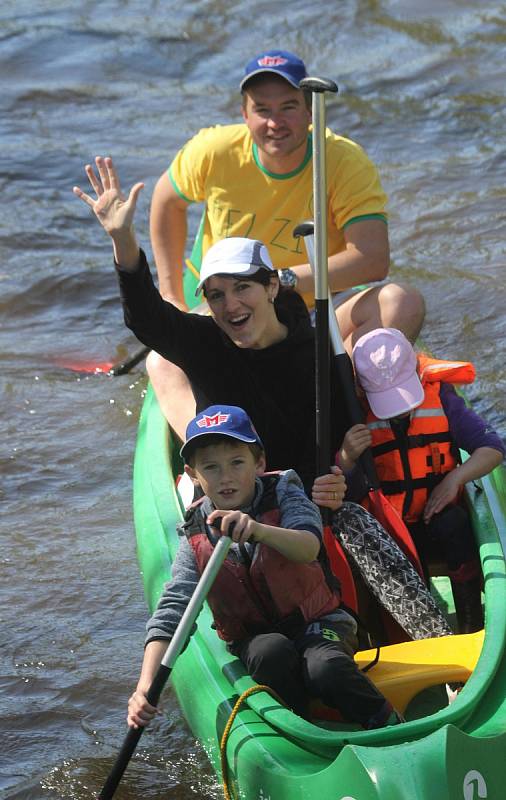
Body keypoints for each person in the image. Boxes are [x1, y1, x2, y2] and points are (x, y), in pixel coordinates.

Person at [73, 156, 452, 641]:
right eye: (215, 295)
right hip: (241, 492)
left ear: (272, 286)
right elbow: (146, 319)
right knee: (161, 365)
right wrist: (123, 240)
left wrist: (340, 473)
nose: (230, 305)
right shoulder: (204, 340)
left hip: (308, 499)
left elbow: (339, 442)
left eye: (242, 289)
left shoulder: (315, 348)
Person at [147, 48, 426, 437]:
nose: (275, 122)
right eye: (262, 109)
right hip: (232, 308)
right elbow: (165, 201)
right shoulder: (212, 150)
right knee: (161, 362)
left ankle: (363, 415)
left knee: (401, 301)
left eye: (289, 107)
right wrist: (171, 295)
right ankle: (208, 450)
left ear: (311, 111)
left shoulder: (343, 160)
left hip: (316, 312)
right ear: (244, 115)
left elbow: (372, 259)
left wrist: (280, 282)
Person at [127, 404, 403, 730]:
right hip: (257, 641)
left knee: (324, 667)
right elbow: (174, 611)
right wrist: (146, 684)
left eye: (237, 463)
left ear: (259, 463)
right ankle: (301, 731)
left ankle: (390, 726)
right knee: (271, 652)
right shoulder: (195, 531)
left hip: (320, 621)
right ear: (192, 474)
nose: (226, 477)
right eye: (211, 467)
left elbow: (307, 547)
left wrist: (258, 530)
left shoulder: (286, 491)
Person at [338, 327, 505, 632]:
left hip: (435, 523)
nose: (400, 412)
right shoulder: (351, 413)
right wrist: (347, 457)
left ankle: (472, 625)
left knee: (454, 523)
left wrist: (455, 478)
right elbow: (342, 492)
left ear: (417, 371)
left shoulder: (441, 398)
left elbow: (492, 449)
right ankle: (405, 629)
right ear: (361, 389)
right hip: (390, 531)